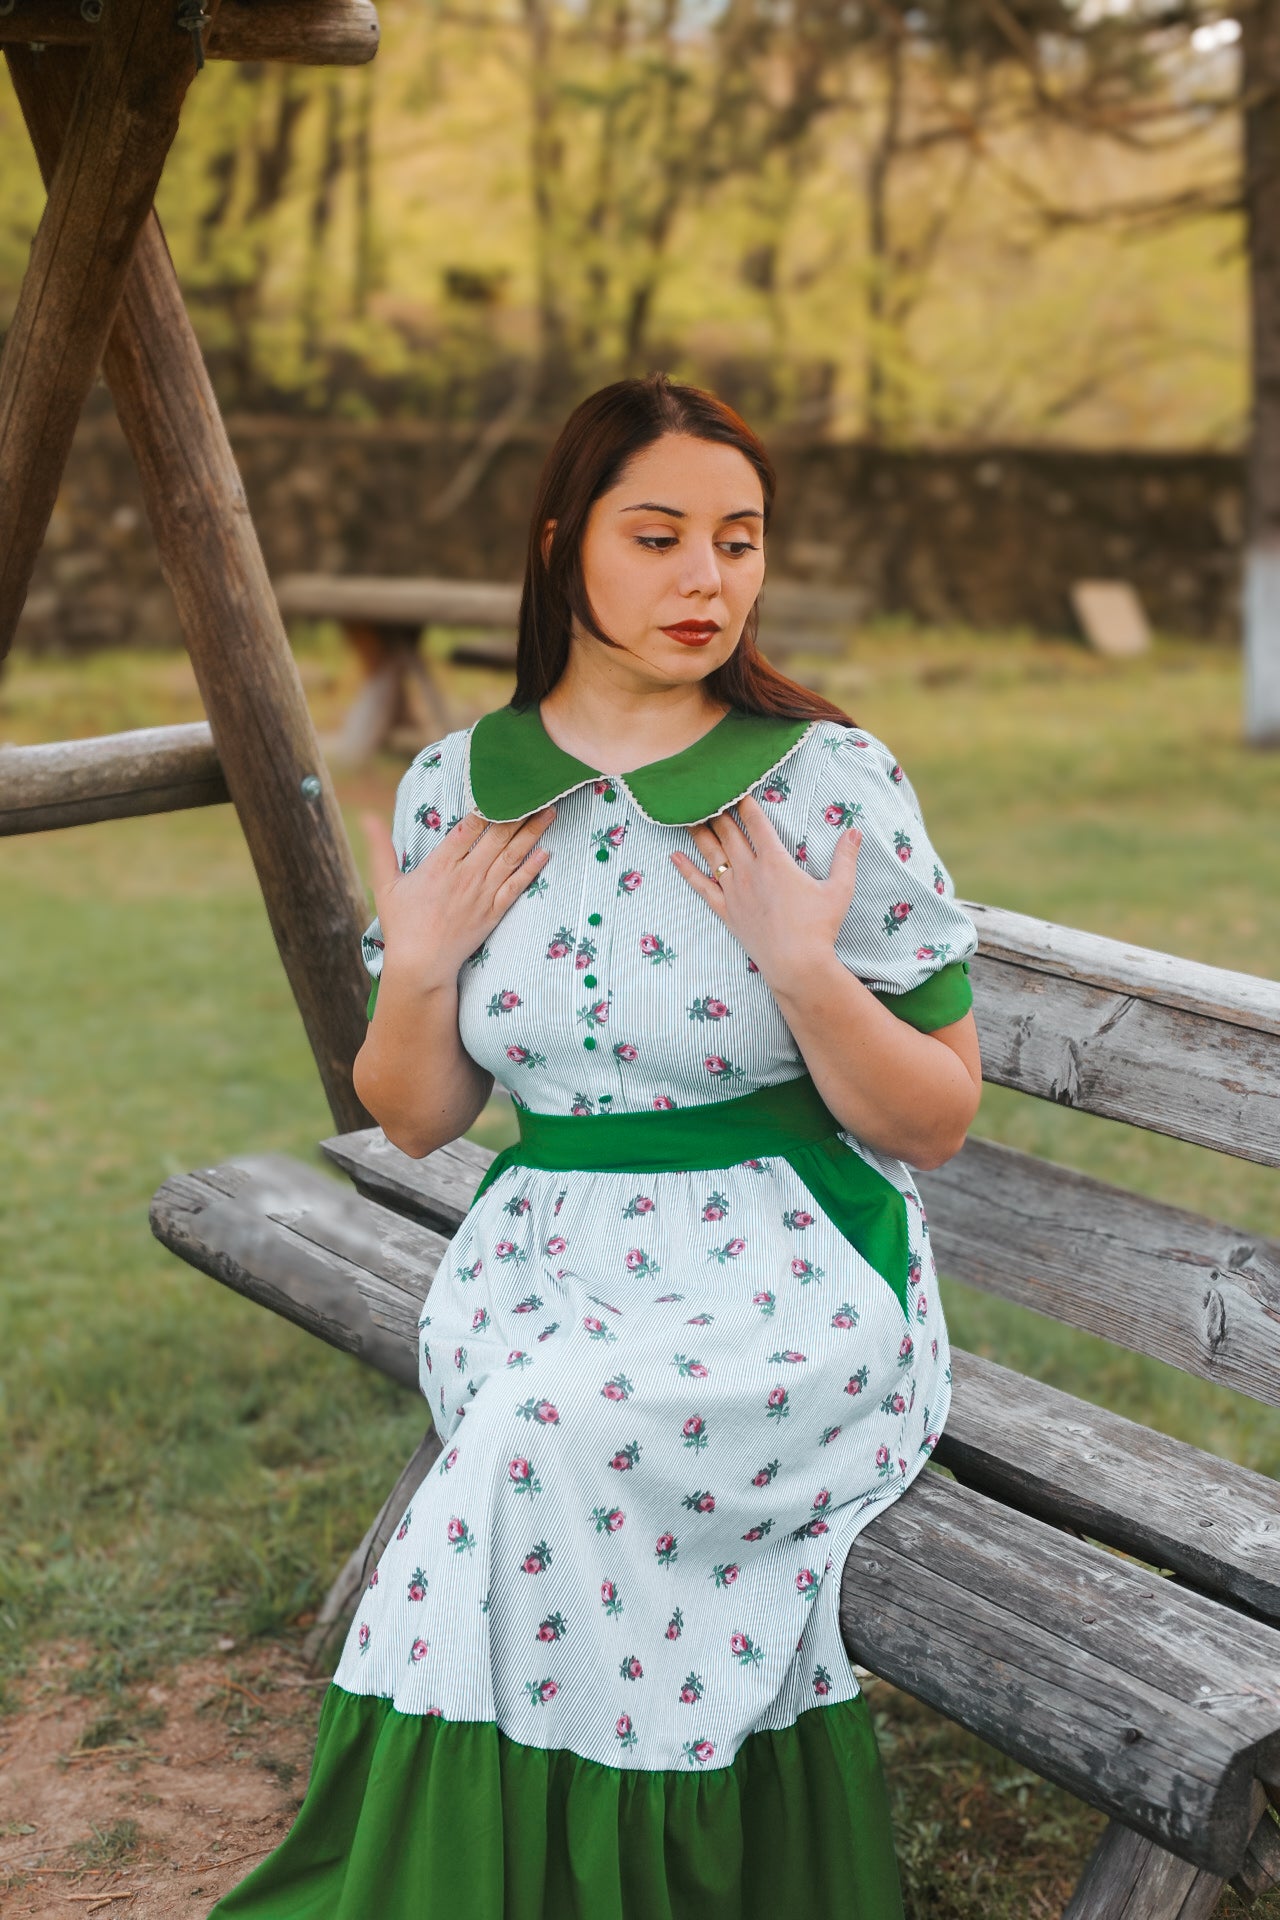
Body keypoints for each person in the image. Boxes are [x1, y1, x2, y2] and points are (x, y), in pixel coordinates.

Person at [210, 371, 982, 1919]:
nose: (708, 579)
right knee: (532, 1441)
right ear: (565, 546)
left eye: (740, 539)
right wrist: (420, 965)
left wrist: (806, 971)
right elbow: (419, 1114)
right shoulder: (457, 791)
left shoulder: (824, 780)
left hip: (790, 1270)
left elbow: (938, 1117)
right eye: (660, 536)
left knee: (543, 1440)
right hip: (544, 1265)